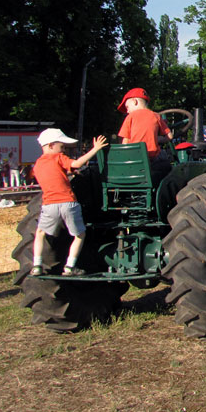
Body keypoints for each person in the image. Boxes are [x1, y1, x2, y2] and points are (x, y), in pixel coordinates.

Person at [30, 128, 108, 277]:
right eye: (62, 146)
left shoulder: (38, 165)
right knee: (79, 235)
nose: (64, 150)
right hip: (68, 203)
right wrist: (95, 149)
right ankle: (70, 266)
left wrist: (66, 173)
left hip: (49, 205)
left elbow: (51, 176)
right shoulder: (59, 157)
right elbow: (77, 163)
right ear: (51, 145)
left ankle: (37, 265)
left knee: (40, 233)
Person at [117, 87, 173, 176]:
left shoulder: (129, 118)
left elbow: (125, 142)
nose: (127, 111)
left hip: (135, 160)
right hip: (153, 160)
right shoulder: (156, 116)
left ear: (135, 102)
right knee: (167, 161)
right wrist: (157, 139)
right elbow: (169, 136)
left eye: (127, 107)